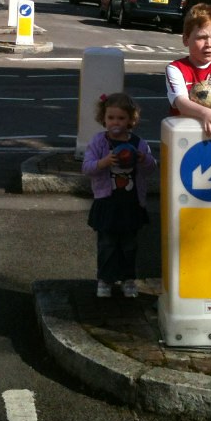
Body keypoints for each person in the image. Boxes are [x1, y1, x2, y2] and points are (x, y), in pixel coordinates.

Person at [82, 92, 157, 299]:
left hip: (131, 204)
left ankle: (128, 279)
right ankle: (105, 280)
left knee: (129, 245)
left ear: (131, 120)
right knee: (107, 244)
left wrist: (143, 159)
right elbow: (87, 168)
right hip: (107, 203)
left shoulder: (138, 143)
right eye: (111, 118)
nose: (116, 122)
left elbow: (152, 168)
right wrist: (103, 162)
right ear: (104, 119)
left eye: (121, 118)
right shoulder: (99, 142)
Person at [165, 3, 211, 140]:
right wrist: (206, 113)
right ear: (186, 39)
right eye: (201, 37)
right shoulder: (175, 68)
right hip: (183, 134)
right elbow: (181, 103)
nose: (209, 44)